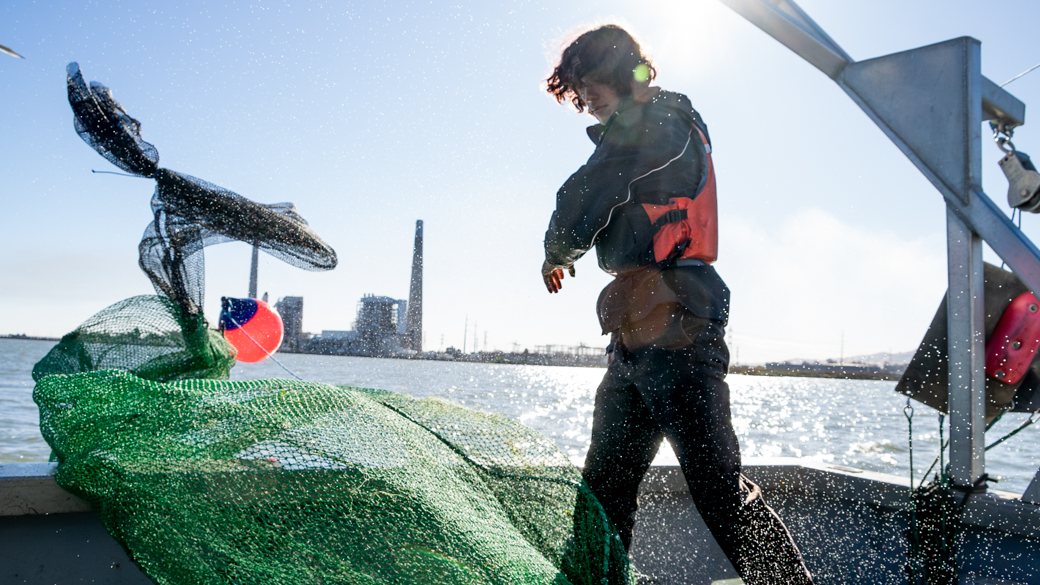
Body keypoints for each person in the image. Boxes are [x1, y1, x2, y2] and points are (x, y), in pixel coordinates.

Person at [541, 25, 814, 585]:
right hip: (635, 339)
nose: (584, 98)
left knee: (717, 488)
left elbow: (592, 189)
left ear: (617, 69)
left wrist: (556, 249)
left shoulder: (662, 123)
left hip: (681, 332)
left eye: (589, 83)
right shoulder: (641, 127)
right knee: (604, 492)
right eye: (576, 89)